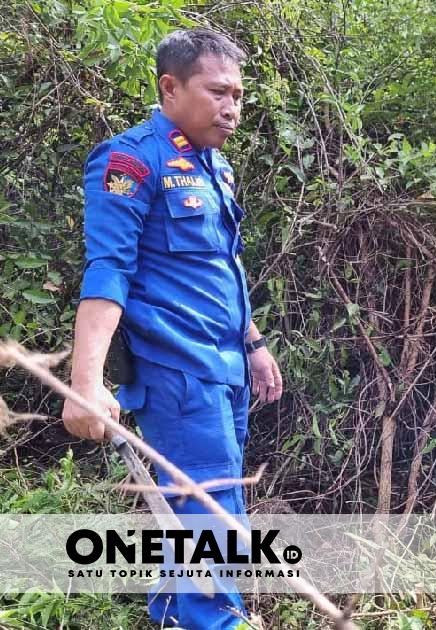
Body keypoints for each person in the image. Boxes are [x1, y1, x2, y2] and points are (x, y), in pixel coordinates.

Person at [60, 29, 282, 630]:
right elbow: (109, 270)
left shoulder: (216, 165)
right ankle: (218, 622)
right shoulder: (130, 160)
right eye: (217, 92)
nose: (232, 107)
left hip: (226, 369)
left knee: (195, 511)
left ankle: (171, 616)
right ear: (170, 87)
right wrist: (85, 381)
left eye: (238, 94)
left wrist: (254, 344)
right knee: (215, 512)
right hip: (180, 375)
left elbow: (219, 267)